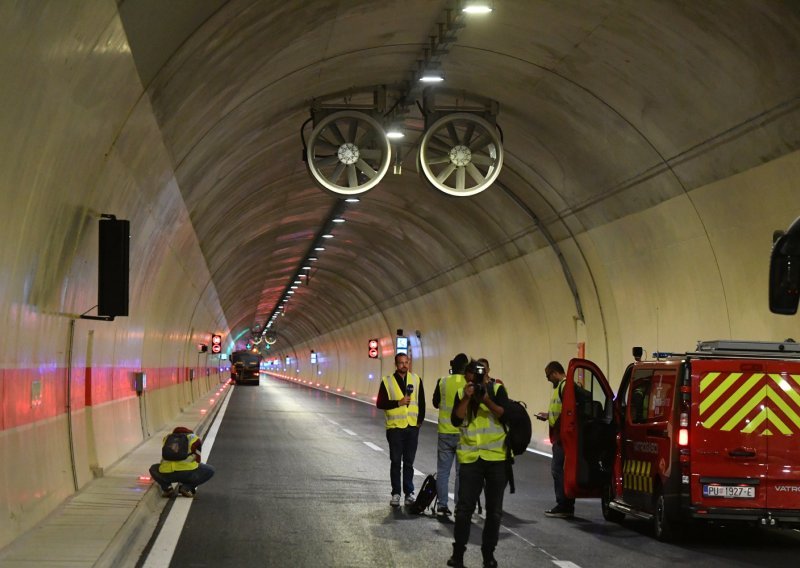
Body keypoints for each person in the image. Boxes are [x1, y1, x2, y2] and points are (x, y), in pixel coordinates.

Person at [448, 360, 508, 568]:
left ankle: (488, 555)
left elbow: (503, 413)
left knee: (494, 511)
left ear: (487, 373)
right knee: (464, 509)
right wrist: (467, 396)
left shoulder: (498, 389)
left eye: (479, 373)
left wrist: (486, 400)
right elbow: (456, 419)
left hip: (496, 458)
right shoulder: (463, 392)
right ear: (468, 375)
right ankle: (458, 554)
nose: (476, 377)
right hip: (470, 457)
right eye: (473, 373)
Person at [376, 353, 425, 507]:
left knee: (409, 462)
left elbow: (421, 402)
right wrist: (398, 402)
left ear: (408, 363)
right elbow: (380, 403)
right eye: (401, 363)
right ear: (396, 364)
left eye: (406, 362)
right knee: (396, 461)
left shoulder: (416, 379)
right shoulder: (387, 381)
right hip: (395, 428)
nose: (404, 365)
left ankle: (409, 493)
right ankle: (396, 493)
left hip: (412, 427)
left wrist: (419, 422)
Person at [535, 361, 575, 518]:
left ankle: (563, 505)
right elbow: (560, 412)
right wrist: (548, 416)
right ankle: (566, 504)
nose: (548, 379)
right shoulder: (561, 387)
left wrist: (560, 429)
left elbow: (566, 412)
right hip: (560, 435)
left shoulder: (565, 386)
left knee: (557, 470)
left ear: (555, 373)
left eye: (548, 376)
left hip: (561, 437)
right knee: (561, 470)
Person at [432, 352, 469, 516]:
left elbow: (435, 402)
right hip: (463, 434)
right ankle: (460, 506)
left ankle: (442, 505)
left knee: (443, 472)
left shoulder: (442, 381)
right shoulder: (469, 384)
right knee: (461, 473)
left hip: (445, 432)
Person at [149, 426, 215, 498]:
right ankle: (186, 488)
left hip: (167, 474)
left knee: (153, 468)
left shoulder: (167, 438)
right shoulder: (194, 438)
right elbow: (198, 460)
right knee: (210, 470)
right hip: (187, 473)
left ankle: (168, 489)